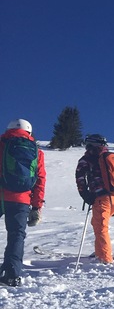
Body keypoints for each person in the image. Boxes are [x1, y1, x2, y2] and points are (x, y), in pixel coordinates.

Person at [75, 134, 114, 264]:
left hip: (102, 197)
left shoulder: (87, 158)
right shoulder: (111, 158)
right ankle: (101, 251)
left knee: (101, 227)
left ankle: (105, 258)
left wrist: (84, 194)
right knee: (97, 224)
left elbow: (80, 177)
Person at [0, 119, 46, 286]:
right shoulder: (37, 152)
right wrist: (36, 206)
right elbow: (40, 180)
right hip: (21, 199)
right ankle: (11, 274)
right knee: (16, 235)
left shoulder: (2, 143)